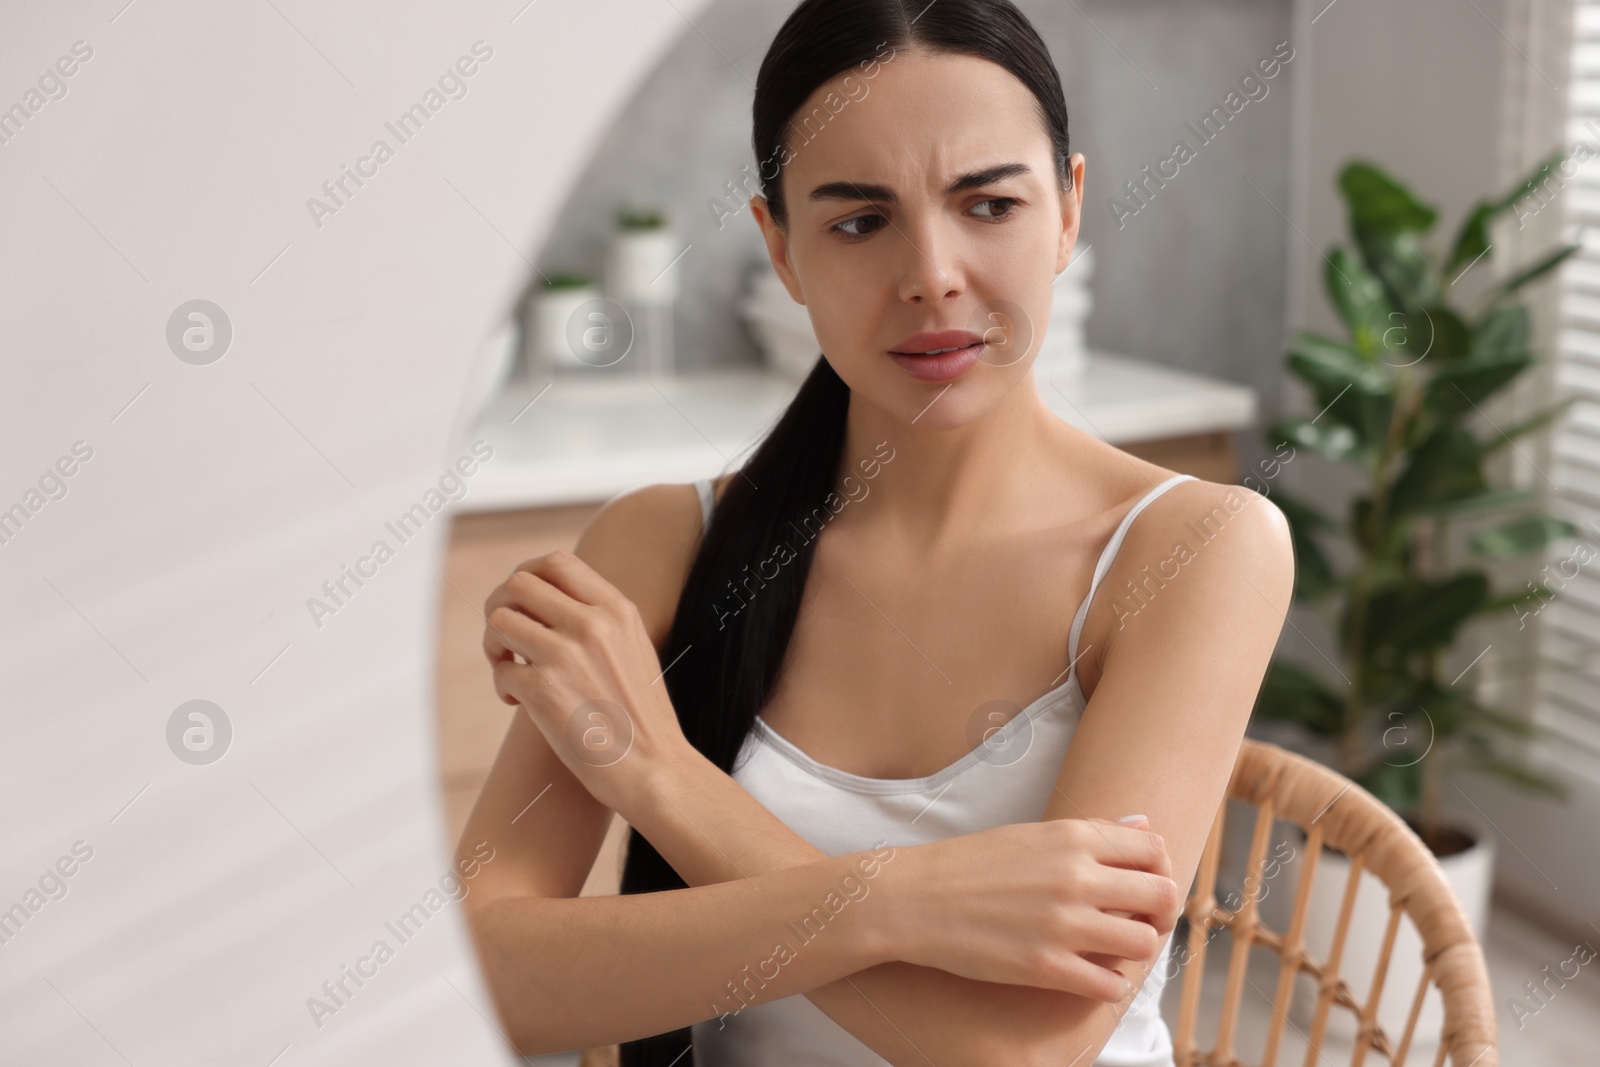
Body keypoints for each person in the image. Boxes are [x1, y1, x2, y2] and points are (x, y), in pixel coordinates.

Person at [455, 0, 1295, 1063]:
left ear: (1069, 208)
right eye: (859, 221)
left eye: (987, 204)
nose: (931, 274)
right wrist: (901, 900)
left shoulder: (1196, 548)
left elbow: (1021, 1051)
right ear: (782, 248)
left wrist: (661, 776)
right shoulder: (657, 547)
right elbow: (485, 970)